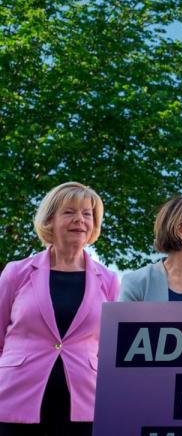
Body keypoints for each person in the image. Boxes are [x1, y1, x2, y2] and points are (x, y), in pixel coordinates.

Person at [0, 182, 120, 435]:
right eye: (69, 212)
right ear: (50, 220)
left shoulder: (109, 280)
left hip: (84, 404)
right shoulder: (16, 273)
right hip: (15, 399)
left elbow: (111, 348)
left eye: (87, 214)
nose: (80, 220)